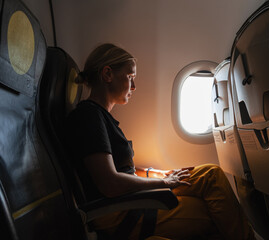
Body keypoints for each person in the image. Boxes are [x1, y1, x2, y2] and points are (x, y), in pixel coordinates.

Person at [65, 43, 254, 240]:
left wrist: (158, 174)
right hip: (122, 211)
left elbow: (122, 169)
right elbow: (110, 183)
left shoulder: (100, 117)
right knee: (212, 212)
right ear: (107, 74)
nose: (134, 86)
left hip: (131, 199)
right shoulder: (89, 117)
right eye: (130, 77)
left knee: (210, 174)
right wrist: (162, 182)